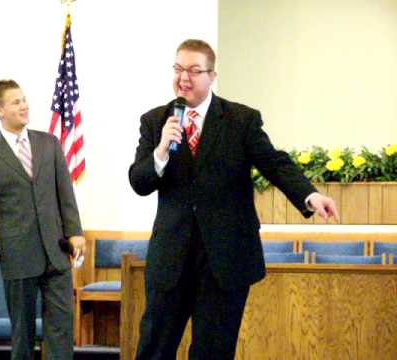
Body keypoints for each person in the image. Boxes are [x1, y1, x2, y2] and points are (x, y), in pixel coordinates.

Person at [128, 39, 339, 360]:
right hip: (172, 259)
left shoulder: (241, 120)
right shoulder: (155, 121)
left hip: (223, 260)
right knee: (154, 350)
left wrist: (309, 195)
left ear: (211, 76)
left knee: (213, 352)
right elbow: (139, 182)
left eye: (194, 71)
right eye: (179, 69)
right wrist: (159, 153)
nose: (184, 78)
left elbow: (274, 163)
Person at [0, 79, 85, 360]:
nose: (24, 106)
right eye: (15, 102)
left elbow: (65, 193)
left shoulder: (50, 144)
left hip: (56, 253)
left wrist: (75, 231)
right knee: (22, 334)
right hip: (19, 257)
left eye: (24, 100)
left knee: (61, 329)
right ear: (0, 110)